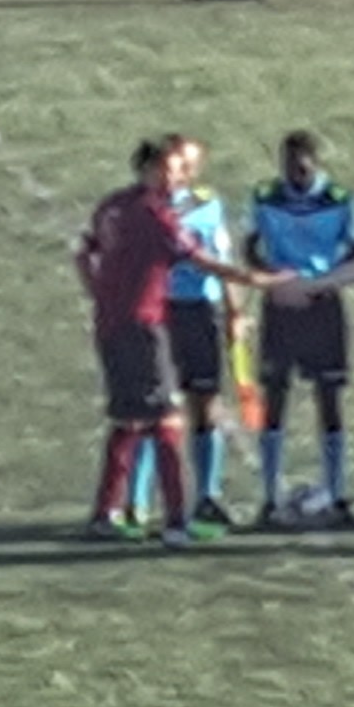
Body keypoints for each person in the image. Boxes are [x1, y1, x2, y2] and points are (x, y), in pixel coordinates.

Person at [76, 136, 234, 542]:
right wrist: (257, 280)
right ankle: (175, 522)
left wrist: (101, 294)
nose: (177, 176)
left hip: (114, 324)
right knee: (166, 420)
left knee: (128, 419)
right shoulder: (155, 214)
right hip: (146, 325)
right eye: (170, 168)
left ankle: (105, 513)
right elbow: (202, 260)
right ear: (149, 170)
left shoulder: (112, 205)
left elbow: (84, 252)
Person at [243, 130, 354, 524]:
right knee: (274, 397)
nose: (296, 172)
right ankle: (270, 496)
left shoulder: (338, 200)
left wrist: (323, 282)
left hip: (323, 305)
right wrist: (272, 279)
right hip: (279, 306)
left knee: (329, 399)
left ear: (315, 162)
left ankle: (337, 492)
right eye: (289, 164)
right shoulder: (265, 197)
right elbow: (249, 247)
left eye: (303, 165)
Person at [160, 145, 247, 527]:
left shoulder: (207, 207)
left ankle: (207, 494)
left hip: (200, 309)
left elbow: (223, 260)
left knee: (205, 401)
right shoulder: (148, 209)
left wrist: (235, 311)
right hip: (161, 311)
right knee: (157, 407)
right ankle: (143, 499)